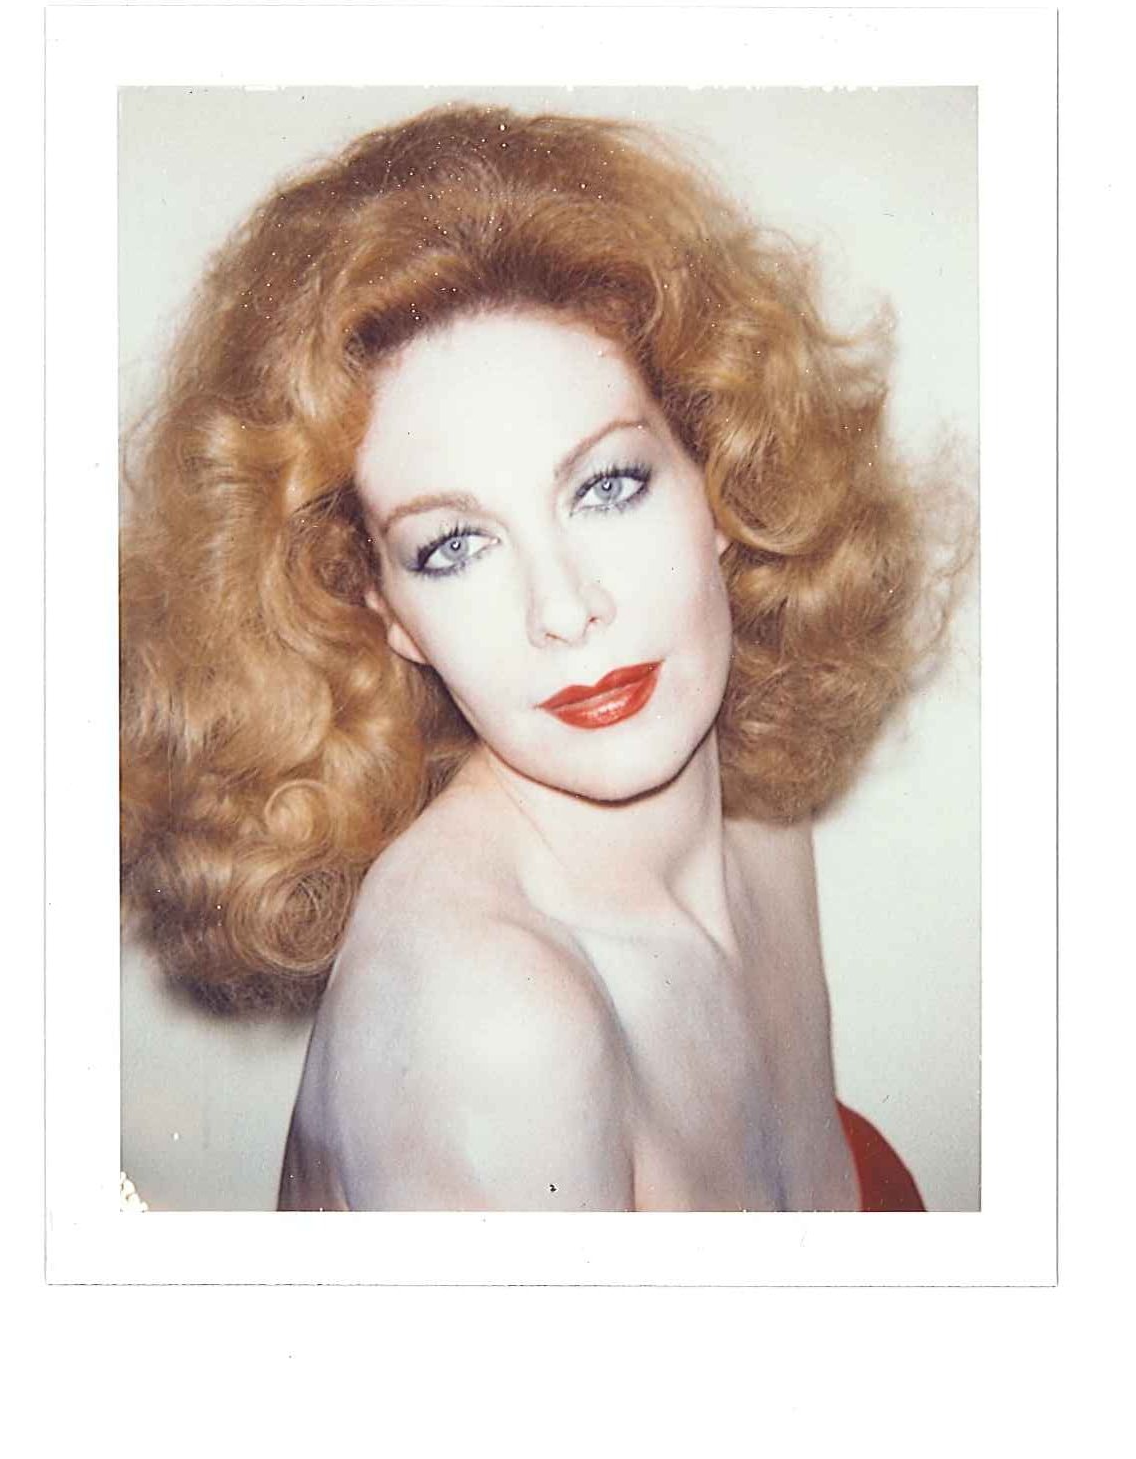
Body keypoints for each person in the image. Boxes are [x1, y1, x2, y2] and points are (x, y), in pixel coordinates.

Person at [120, 104, 956, 1211]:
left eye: (606, 486)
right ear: (385, 612)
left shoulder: (760, 826)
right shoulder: (493, 1019)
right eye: (455, 546)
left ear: (722, 475)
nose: (563, 610)